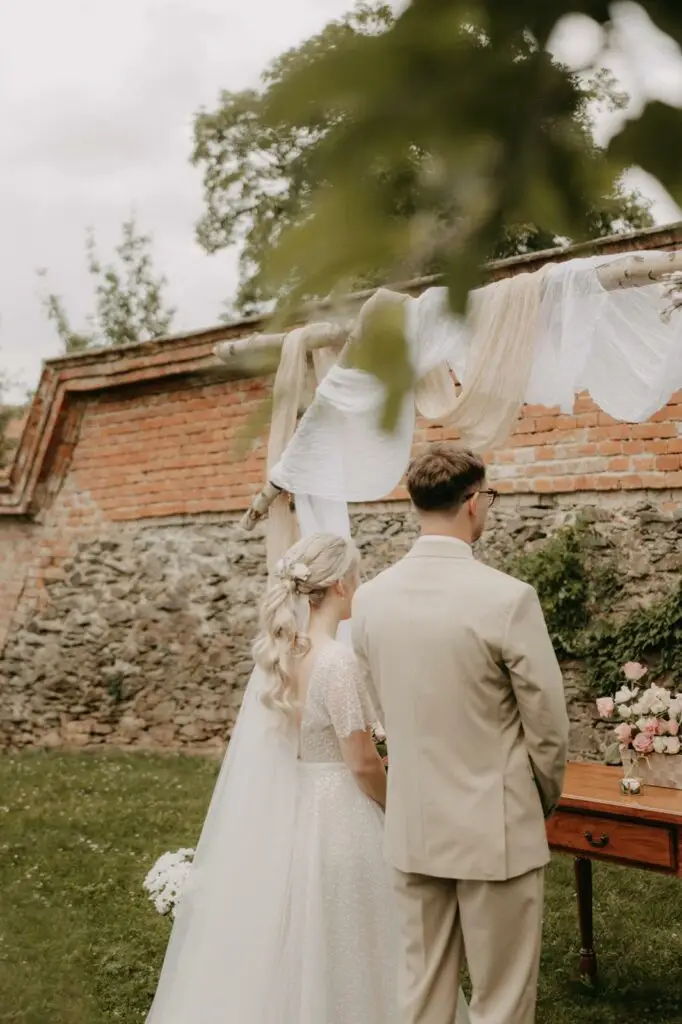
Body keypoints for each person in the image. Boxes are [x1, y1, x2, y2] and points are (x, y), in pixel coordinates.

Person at [146, 532, 468, 1023]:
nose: (360, 589)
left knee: (300, 931)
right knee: (356, 932)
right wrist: (395, 803)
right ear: (340, 585)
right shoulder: (337, 662)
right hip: (340, 811)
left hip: (294, 802)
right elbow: (360, 762)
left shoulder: (285, 653)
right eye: (358, 579)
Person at [351, 443, 570, 1024]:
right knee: (501, 1000)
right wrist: (538, 796)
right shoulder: (507, 598)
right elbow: (547, 725)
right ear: (473, 503)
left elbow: (378, 705)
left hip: (414, 824)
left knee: (422, 994)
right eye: (488, 498)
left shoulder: (369, 601)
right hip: (496, 824)